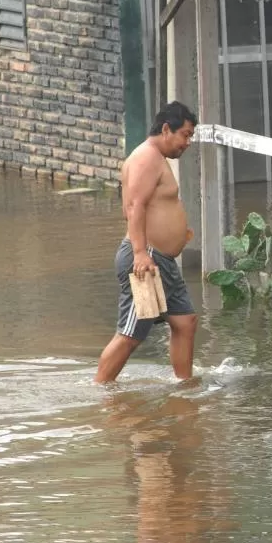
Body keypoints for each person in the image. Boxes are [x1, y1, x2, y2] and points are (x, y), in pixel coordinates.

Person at [94, 101, 199, 384]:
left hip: (161, 261)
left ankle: (184, 386)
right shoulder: (146, 157)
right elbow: (134, 207)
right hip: (146, 259)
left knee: (185, 321)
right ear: (167, 129)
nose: (188, 143)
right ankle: (101, 391)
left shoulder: (155, 159)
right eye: (185, 135)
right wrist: (140, 253)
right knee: (130, 335)